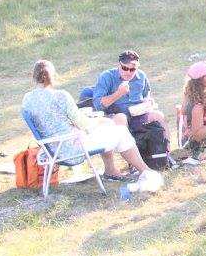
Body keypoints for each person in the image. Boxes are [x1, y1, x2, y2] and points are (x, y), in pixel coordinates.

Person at [22, 60, 156, 183]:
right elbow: (84, 124)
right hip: (71, 149)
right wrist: (100, 120)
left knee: (111, 127)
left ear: (34, 77)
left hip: (50, 150)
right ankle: (145, 171)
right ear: (53, 77)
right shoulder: (61, 96)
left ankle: (112, 170)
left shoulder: (27, 99)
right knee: (119, 130)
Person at [91, 50, 166, 128]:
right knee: (121, 118)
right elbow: (97, 105)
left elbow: (146, 96)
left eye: (132, 69)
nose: (128, 72)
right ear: (119, 65)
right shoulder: (107, 77)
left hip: (137, 116)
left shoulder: (141, 76)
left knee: (158, 115)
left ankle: (165, 137)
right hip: (114, 116)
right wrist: (118, 93)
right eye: (125, 68)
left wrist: (148, 101)